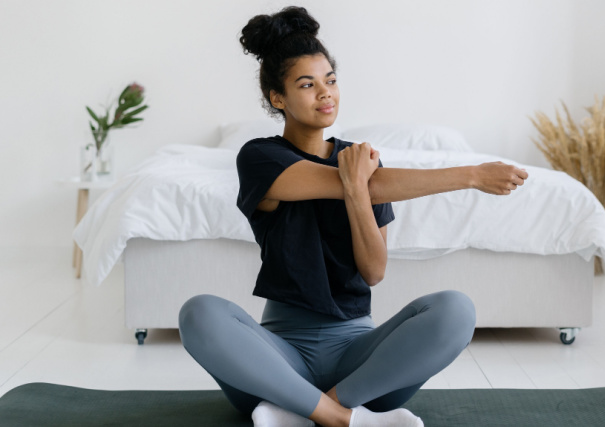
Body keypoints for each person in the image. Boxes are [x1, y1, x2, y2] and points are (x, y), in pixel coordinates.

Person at [178, 6, 529, 427]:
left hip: (361, 362)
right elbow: (355, 182)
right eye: (307, 84)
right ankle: (343, 418)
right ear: (278, 98)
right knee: (198, 312)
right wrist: (472, 174)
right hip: (279, 358)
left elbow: (375, 271)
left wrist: (359, 192)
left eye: (330, 80)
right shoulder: (260, 156)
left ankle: (312, 409)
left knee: (457, 309)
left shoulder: (362, 160)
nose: (325, 93)